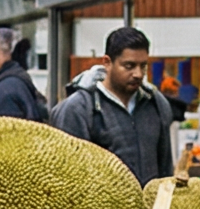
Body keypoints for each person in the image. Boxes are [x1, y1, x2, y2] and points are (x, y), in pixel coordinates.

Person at [48, 26, 178, 183]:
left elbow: (165, 170)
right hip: (97, 206)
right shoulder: (78, 109)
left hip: (150, 207)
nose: (138, 74)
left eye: (143, 66)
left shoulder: (156, 104)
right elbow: (66, 177)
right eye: (129, 66)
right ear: (107, 63)